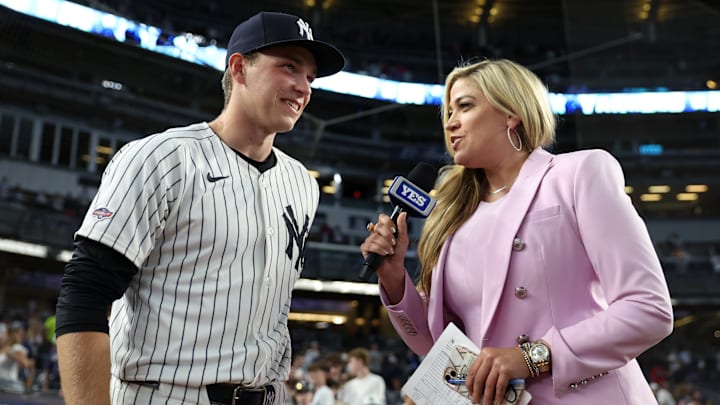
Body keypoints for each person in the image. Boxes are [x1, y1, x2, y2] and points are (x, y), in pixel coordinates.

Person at [55, 11, 344, 405]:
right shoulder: (162, 158)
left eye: (310, 77)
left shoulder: (303, 185)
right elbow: (84, 294)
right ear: (239, 68)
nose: (302, 86)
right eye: (288, 67)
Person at [360, 59, 673, 404]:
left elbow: (648, 309)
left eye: (464, 106)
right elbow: (433, 345)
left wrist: (531, 357)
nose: (450, 123)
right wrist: (393, 277)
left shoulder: (578, 173)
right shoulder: (452, 214)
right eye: (447, 112)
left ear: (512, 113)